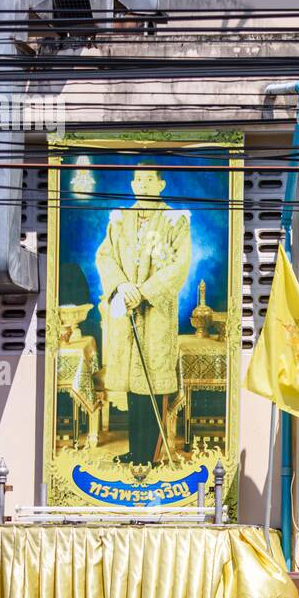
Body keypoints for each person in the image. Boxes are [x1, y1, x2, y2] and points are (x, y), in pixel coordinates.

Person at [95, 162, 191, 465]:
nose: (143, 185)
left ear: (160, 185)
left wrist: (145, 291)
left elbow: (180, 265)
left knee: (152, 384)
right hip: (126, 310)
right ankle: (136, 451)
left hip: (156, 313)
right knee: (133, 387)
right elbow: (105, 256)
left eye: (150, 179)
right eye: (138, 179)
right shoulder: (120, 219)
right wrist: (123, 286)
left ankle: (152, 454)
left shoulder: (175, 220)